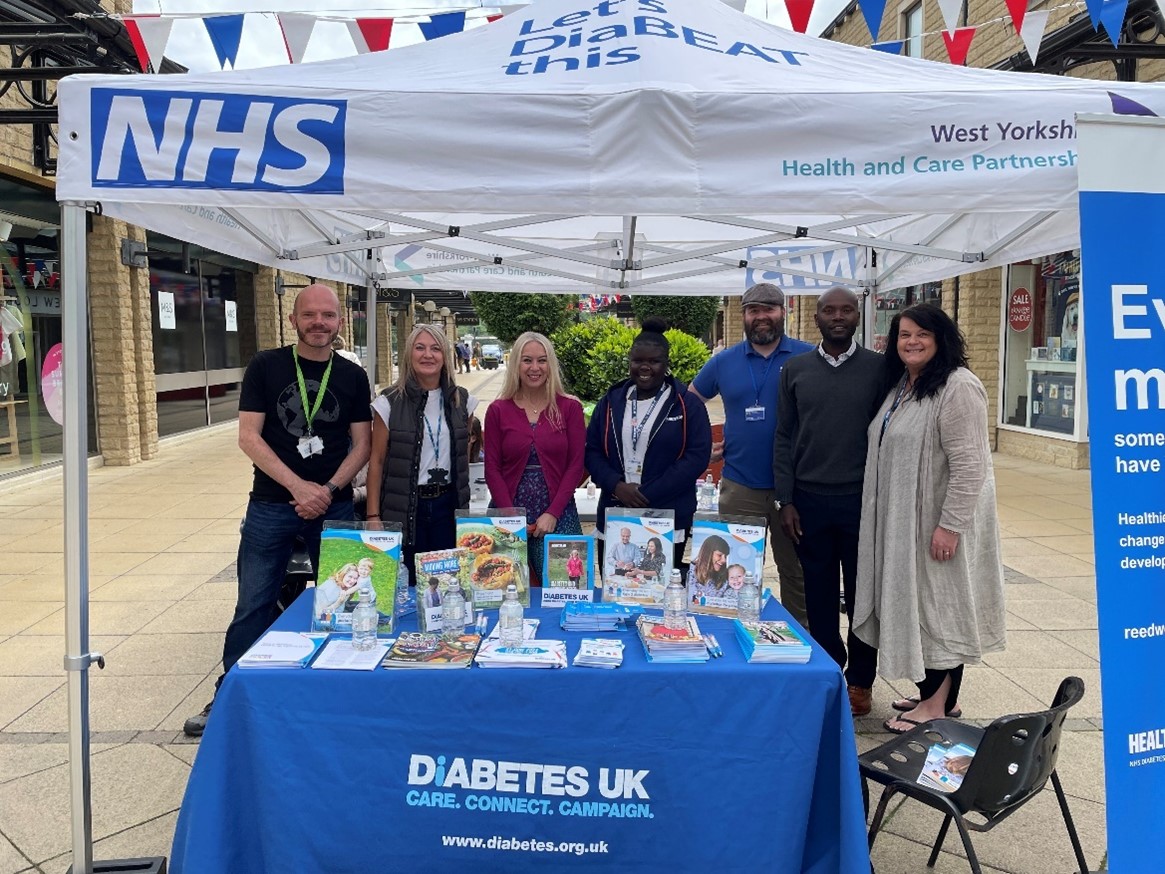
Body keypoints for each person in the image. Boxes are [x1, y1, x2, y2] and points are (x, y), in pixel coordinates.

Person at [184, 284, 371, 737]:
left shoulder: (351, 375)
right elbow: (249, 436)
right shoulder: (266, 366)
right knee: (253, 602)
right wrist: (299, 487)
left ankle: (335, 694)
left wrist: (325, 489)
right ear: (293, 320)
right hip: (271, 503)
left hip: (334, 504)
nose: (319, 323)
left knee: (343, 604)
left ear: (340, 322)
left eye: (328, 315)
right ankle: (230, 694)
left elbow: (363, 445)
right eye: (310, 315)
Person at [852, 303, 1006, 734]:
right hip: (905, 525)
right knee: (920, 605)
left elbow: (971, 464)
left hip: (937, 525)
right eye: (904, 335)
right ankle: (934, 694)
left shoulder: (959, 386)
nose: (912, 342)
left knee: (941, 608)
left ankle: (937, 705)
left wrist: (950, 526)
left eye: (922, 334)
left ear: (940, 339)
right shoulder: (905, 384)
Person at [774, 286, 885, 717]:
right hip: (808, 502)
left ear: (858, 316)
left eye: (846, 310)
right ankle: (826, 671)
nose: (837, 316)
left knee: (863, 597)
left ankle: (860, 681)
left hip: (861, 500)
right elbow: (783, 437)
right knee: (817, 595)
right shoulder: (795, 369)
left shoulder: (879, 369)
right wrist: (785, 499)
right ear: (814, 317)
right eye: (828, 310)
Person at [692, 282, 813, 626]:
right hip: (740, 485)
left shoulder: (807, 357)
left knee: (796, 572)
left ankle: (800, 638)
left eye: (769, 309)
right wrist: (703, 443)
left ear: (783, 312)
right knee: (735, 569)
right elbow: (689, 401)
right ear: (744, 315)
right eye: (753, 310)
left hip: (795, 487)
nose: (761, 317)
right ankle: (737, 635)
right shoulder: (723, 361)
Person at [586, 318, 712, 572]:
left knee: (659, 589)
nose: (645, 368)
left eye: (654, 361)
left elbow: (696, 457)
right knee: (616, 585)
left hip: (667, 514)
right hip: (615, 511)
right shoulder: (610, 402)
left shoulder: (687, 405)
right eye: (638, 361)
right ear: (629, 361)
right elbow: (592, 451)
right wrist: (617, 486)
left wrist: (646, 493)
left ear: (666, 364)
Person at [364, 323, 476, 577]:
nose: (428, 355)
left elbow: (462, 456)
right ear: (408, 354)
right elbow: (377, 461)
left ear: (445, 357)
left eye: (436, 348)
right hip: (405, 506)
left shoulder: (464, 400)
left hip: (448, 506)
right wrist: (373, 515)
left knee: (448, 580)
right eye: (420, 348)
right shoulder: (388, 402)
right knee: (408, 583)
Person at [483, 332, 586, 585]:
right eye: (527, 360)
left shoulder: (569, 409)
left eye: (542, 361)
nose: (535, 368)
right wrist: (510, 516)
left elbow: (576, 465)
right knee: (504, 586)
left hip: (558, 511)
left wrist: (552, 512)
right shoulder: (498, 410)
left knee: (565, 587)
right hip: (508, 511)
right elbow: (492, 468)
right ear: (515, 364)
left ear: (550, 365)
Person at [687, 534, 730, 599]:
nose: (724, 560)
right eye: (719, 555)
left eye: (725, 556)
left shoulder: (725, 579)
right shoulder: (689, 572)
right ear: (708, 553)